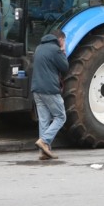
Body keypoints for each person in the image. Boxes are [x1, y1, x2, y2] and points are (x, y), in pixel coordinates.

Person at [31, 30, 69, 158]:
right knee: (61, 117)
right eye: (64, 41)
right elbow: (65, 67)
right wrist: (63, 51)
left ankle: (44, 152)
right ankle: (44, 141)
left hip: (36, 89)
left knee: (44, 120)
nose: (63, 44)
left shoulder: (38, 48)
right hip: (49, 90)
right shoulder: (55, 50)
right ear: (59, 39)